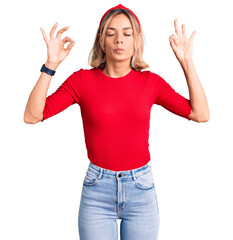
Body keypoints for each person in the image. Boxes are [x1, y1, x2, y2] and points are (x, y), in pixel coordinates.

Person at [23, 4, 209, 240]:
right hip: (97, 192)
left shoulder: (151, 83)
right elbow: (33, 115)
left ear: (136, 41)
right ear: (101, 41)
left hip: (141, 190)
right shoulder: (81, 81)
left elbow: (200, 114)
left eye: (126, 33)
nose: (119, 40)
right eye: (111, 33)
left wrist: (186, 62)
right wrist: (50, 65)